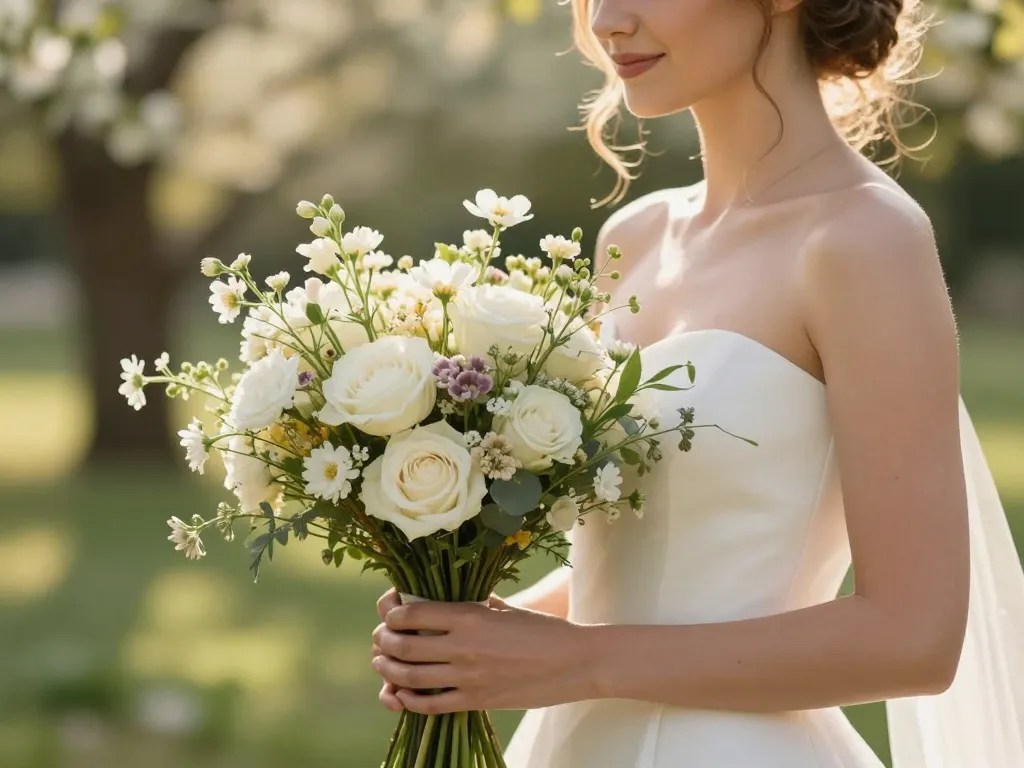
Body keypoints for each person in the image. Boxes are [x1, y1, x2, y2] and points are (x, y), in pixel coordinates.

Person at [369, 0, 1024, 765]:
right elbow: (656, 563)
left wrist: (578, 662)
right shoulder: (634, 237)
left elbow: (913, 639)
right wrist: (480, 632)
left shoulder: (864, 240)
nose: (607, 20)